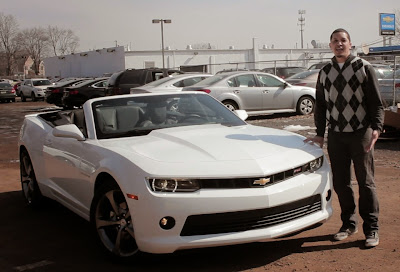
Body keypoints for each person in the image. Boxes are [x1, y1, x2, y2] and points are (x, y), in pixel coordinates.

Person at [305, 28, 384, 248]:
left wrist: (376, 128)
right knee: (341, 183)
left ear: (350, 44)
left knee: (366, 183)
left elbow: (376, 103)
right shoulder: (325, 71)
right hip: (337, 135)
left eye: (343, 40)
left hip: (361, 133)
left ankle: (372, 228)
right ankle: (349, 224)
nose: (339, 44)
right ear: (330, 45)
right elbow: (320, 106)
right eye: (335, 41)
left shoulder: (363, 68)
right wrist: (320, 134)